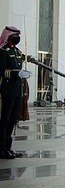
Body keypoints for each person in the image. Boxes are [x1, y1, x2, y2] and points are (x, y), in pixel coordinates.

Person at [0, 26, 31, 159]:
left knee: (13, 120)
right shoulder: (3, 51)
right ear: (8, 36)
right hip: (7, 90)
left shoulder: (17, 52)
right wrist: (16, 73)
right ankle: (1, 149)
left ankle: (8, 147)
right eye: (15, 35)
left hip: (17, 91)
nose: (17, 38)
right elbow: (2, 71)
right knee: (5, 120)